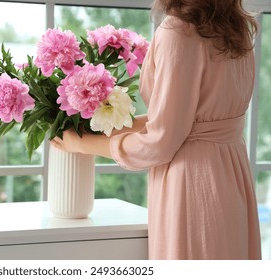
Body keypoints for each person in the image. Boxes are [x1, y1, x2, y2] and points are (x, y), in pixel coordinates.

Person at [51, 0, 262, 260]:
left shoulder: (179, 31)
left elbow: (161, 141)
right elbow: (191, 117)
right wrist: (109, 127)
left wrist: (81, 144)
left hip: (192, 183)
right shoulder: (235, 28)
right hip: (232, 175)